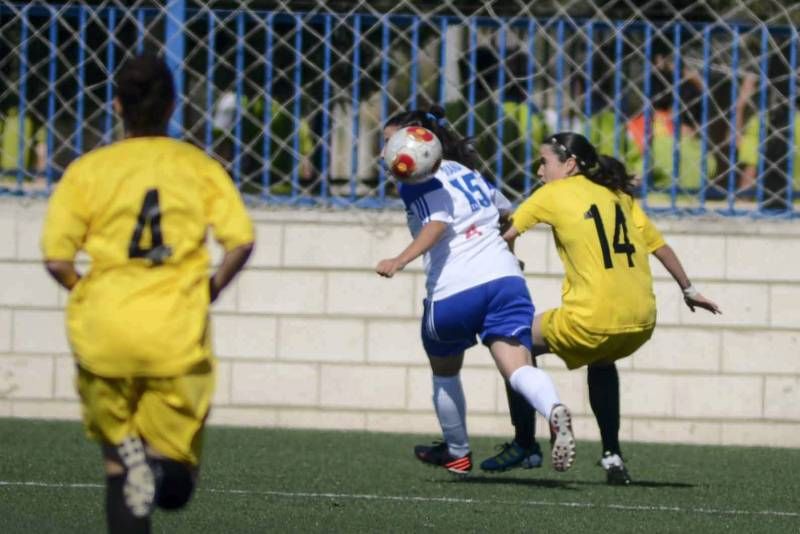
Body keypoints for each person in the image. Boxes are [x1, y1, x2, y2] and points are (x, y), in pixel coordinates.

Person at [40, 53, 255, 533]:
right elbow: (240, 240)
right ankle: (161, 470)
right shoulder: (196, 166)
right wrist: (212, 290)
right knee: (176, 487)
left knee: (120, 470)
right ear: (173, 105)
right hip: (174, 333)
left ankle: (138, 463)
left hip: (102, 333)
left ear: (117, 105)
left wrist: (87, 292)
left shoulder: (88, 170)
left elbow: (56, 259)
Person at [481, 132, 720, 485]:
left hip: (591, 320)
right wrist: (690, 290)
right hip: (640, 323)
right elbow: (660, 247)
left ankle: (525, 444)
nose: (538, 171)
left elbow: (505, 237)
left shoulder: (551, 194)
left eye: (544, 162)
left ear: (569, 164)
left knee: (512, 339)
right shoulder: (619, 195)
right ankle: (612, 455)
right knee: (602, 361)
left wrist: (509, 265)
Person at [375, 106, 575, 475]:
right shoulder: (467, 172)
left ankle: (457, 451)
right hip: (506, 282)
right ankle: (554, 409)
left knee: (445, 371)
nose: (385, 152)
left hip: (455, 289)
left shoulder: (415, 182)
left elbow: (436, 224)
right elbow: (505, 213)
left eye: (389, 143)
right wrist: (509, 255)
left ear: (416, 145)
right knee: (516, 368)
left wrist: (399, 260)